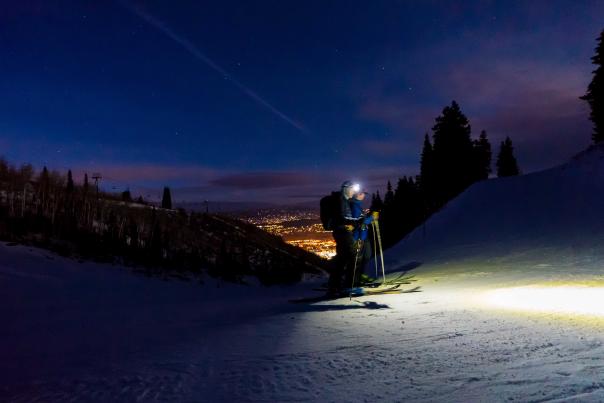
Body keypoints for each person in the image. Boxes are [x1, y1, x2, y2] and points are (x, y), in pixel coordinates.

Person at [327, 180, 362, 296]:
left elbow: (346, 217)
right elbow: (341, 218)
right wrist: (356, 222)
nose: (354, 191)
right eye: (352, 189)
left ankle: (334, 286)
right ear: (346, 188)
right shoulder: (340, 201)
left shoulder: (345, 201)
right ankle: (348, 286)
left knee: (342, 259)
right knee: (352, 257)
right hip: (343, 233)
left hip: (342, 232)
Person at [348, 190, 378, 287]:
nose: (364, 195)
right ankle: (354, 279)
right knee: (359, 259)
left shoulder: (358, 205)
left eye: (364, 194)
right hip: (358, 237)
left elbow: (361, 218)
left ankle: (359, 276)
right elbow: (361, 221)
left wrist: (367, 215)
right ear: (357, 195)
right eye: (362, 194)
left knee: (367, 256)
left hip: (364, 236)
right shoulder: (354, 206)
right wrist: (372, 218)